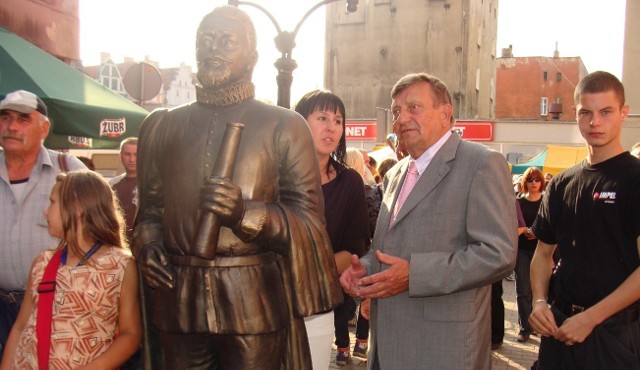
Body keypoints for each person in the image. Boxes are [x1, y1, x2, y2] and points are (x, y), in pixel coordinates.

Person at [133, 6, 342, 370]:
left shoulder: (284, 125)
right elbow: (150, 210)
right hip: (178, 299)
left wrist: (246, 214)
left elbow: (309, 223)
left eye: (226, 40)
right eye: (206, 40)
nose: (213, 48)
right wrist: (149, 244)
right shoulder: (162, 126)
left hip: (252, 299)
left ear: (253, 56)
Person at [340, 72, 517, 369]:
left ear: (446, 114)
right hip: (387, 348)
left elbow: (498, 253)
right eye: (397, 111)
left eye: (414, 108)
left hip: (443, 350)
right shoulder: (397, 172)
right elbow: (387, 248)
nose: (402, 118)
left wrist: (415, 275)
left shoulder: (481, 163)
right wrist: (365, 271)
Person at [529, 71, 640, 369]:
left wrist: (591, 318)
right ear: (575, 115)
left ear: (623, 113)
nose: (595, 122)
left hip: (615, 333)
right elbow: (542, 254)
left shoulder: (635, 179)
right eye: (586, 113)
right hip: (560, 326)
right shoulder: (562, 183)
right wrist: (539, 302)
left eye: (606, 112)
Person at [0, 170, 141, 369]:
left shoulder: (120, 265)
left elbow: (131, 334)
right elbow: (21, 326)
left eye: (52, 202)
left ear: (77, 207)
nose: (45, 211)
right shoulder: (43, 262)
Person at [0, 90, 86, 357]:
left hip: (55, 307)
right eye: (5, 117)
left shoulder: (69, 170)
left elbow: (102, 234)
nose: (11, 126)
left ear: (44, 128)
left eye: (23, 119)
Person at [294, 92, 369, 368]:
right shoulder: (273, 175)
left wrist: (306, 269)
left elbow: (355, 248)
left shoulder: (350, 182)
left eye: (338, 120)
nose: (332, 127)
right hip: (267, 301)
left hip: (317, 304)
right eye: (322, 118)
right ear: (299, 123)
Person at [514, 166, 546, 344]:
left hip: (541, 250)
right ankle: (525, 327)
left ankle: (536, 325)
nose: (533, 183)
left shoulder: (546, 201)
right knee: (523, 290)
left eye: (536, 179)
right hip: (522, 250)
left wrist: (537, 232)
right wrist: (524, 230)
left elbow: (552, 225)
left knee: (539, 291)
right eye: (530, 180)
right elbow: (513, 223)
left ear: (542, 182)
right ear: (525, 182)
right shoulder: (518, 202)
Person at [109, 137, 138, 241]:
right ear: (120, 155)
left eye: (136, 154)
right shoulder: (111, 185)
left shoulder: (152, 185)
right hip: (117, 242)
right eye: (127, 154)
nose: (132, 159)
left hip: (144, 244)